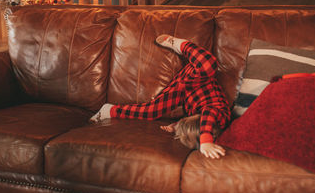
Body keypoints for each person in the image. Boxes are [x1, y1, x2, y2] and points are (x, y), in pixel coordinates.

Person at [90, 34, 231, 159]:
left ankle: (110, 110)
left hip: (181, 89)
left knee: (151, 111)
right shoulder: (221, 117)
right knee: (208, 64)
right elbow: (208, 113)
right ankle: (178, 44)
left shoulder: (198, 121)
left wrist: (177, 126)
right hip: (198, 78)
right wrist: (206, 141)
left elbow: (196, 120)